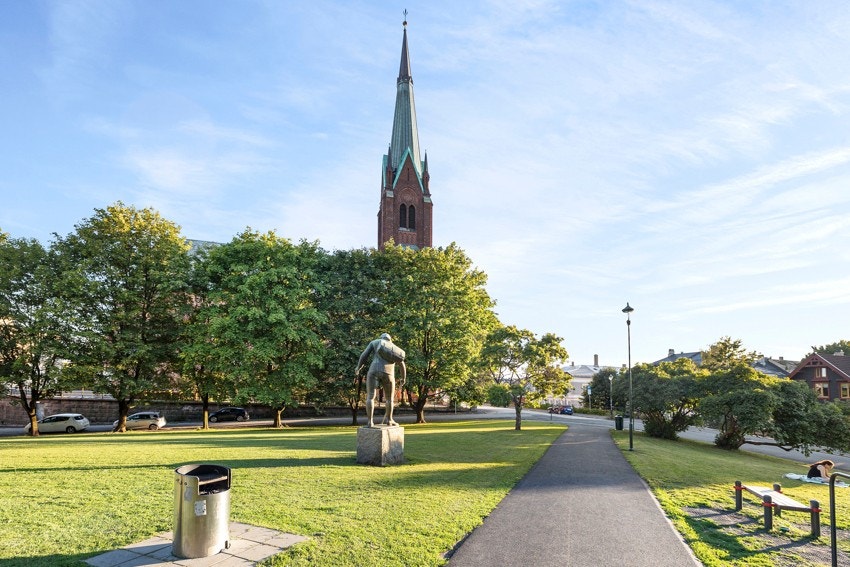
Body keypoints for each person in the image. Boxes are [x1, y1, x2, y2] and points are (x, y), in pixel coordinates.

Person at [356, 333, 406, 428]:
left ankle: (370, 422)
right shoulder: (393, 348)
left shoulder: (374, 342)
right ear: (390, 339)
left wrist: (358, 367)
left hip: (373, 370)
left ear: (381, 338)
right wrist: (403, 378)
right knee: (389, 399)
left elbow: (364, 355)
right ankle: (389, 420)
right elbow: (402, 364)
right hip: (389, 373)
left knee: (370, 397)